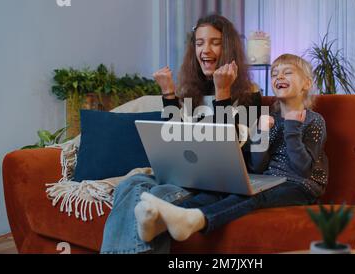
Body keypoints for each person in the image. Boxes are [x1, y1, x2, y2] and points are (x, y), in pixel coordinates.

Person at [100, 14, 262, 254]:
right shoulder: (191, 93)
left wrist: (223, 92)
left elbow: (228, 149)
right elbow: (172, 138)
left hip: (217, 185)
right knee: (131, 184)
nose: (205, 49)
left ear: (227, 48)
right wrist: (168, 94)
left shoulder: (250, 95)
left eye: (215, 42)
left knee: (155, 195)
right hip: (182, 176)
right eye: (199, 43)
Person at [134, 54, 329, 245]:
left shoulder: (314, 120)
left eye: (287, 72)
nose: (279, 77)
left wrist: (293, 128)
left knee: (253, 196)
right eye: (275, 73)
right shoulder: (268, 117)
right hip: (270, 179)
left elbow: (302, 169)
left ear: (307, 84)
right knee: (219, 192)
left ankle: (197, 219)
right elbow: (259, 166)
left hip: (300, 186)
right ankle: (162, 220)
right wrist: (261, 133)